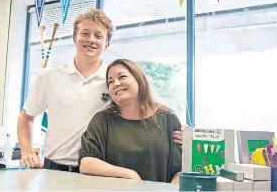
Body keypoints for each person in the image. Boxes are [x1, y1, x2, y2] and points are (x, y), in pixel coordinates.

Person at [17, 9, 185, 172]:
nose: (91, 40)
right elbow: (26, 118)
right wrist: (27, 151)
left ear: (107, 43)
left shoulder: (112, 80)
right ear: (74, 38)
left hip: (98, 170)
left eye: (98, 36)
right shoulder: (49, 76)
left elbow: (142, 104)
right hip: (53, 167)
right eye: (84, 33)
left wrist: (178, 127)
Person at [78, 59, 182, 183]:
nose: (115, 83)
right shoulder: (102, 120)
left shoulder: (168, 118)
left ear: (139, 79)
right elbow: (86, 163)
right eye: (110, 82)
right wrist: (128, 174)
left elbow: (180, 170)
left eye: (122, 77)